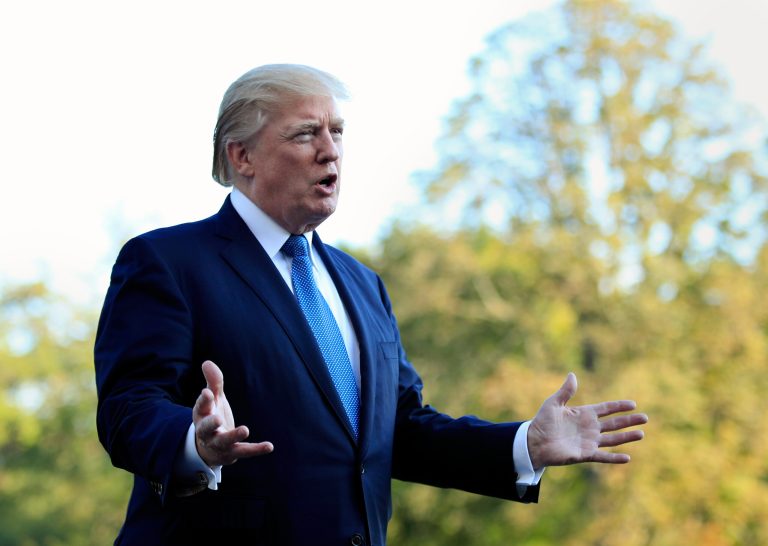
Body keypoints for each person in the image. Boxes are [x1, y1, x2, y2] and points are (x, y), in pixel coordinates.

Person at [94, 64, 647, 546]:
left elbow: (399, 430)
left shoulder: (362, 284)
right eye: (305, 133)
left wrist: (523, 444)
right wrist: (195, 443)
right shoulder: (167, 262)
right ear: (243, 156)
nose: (330, 150)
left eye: (336, 131)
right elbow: (128, 408)